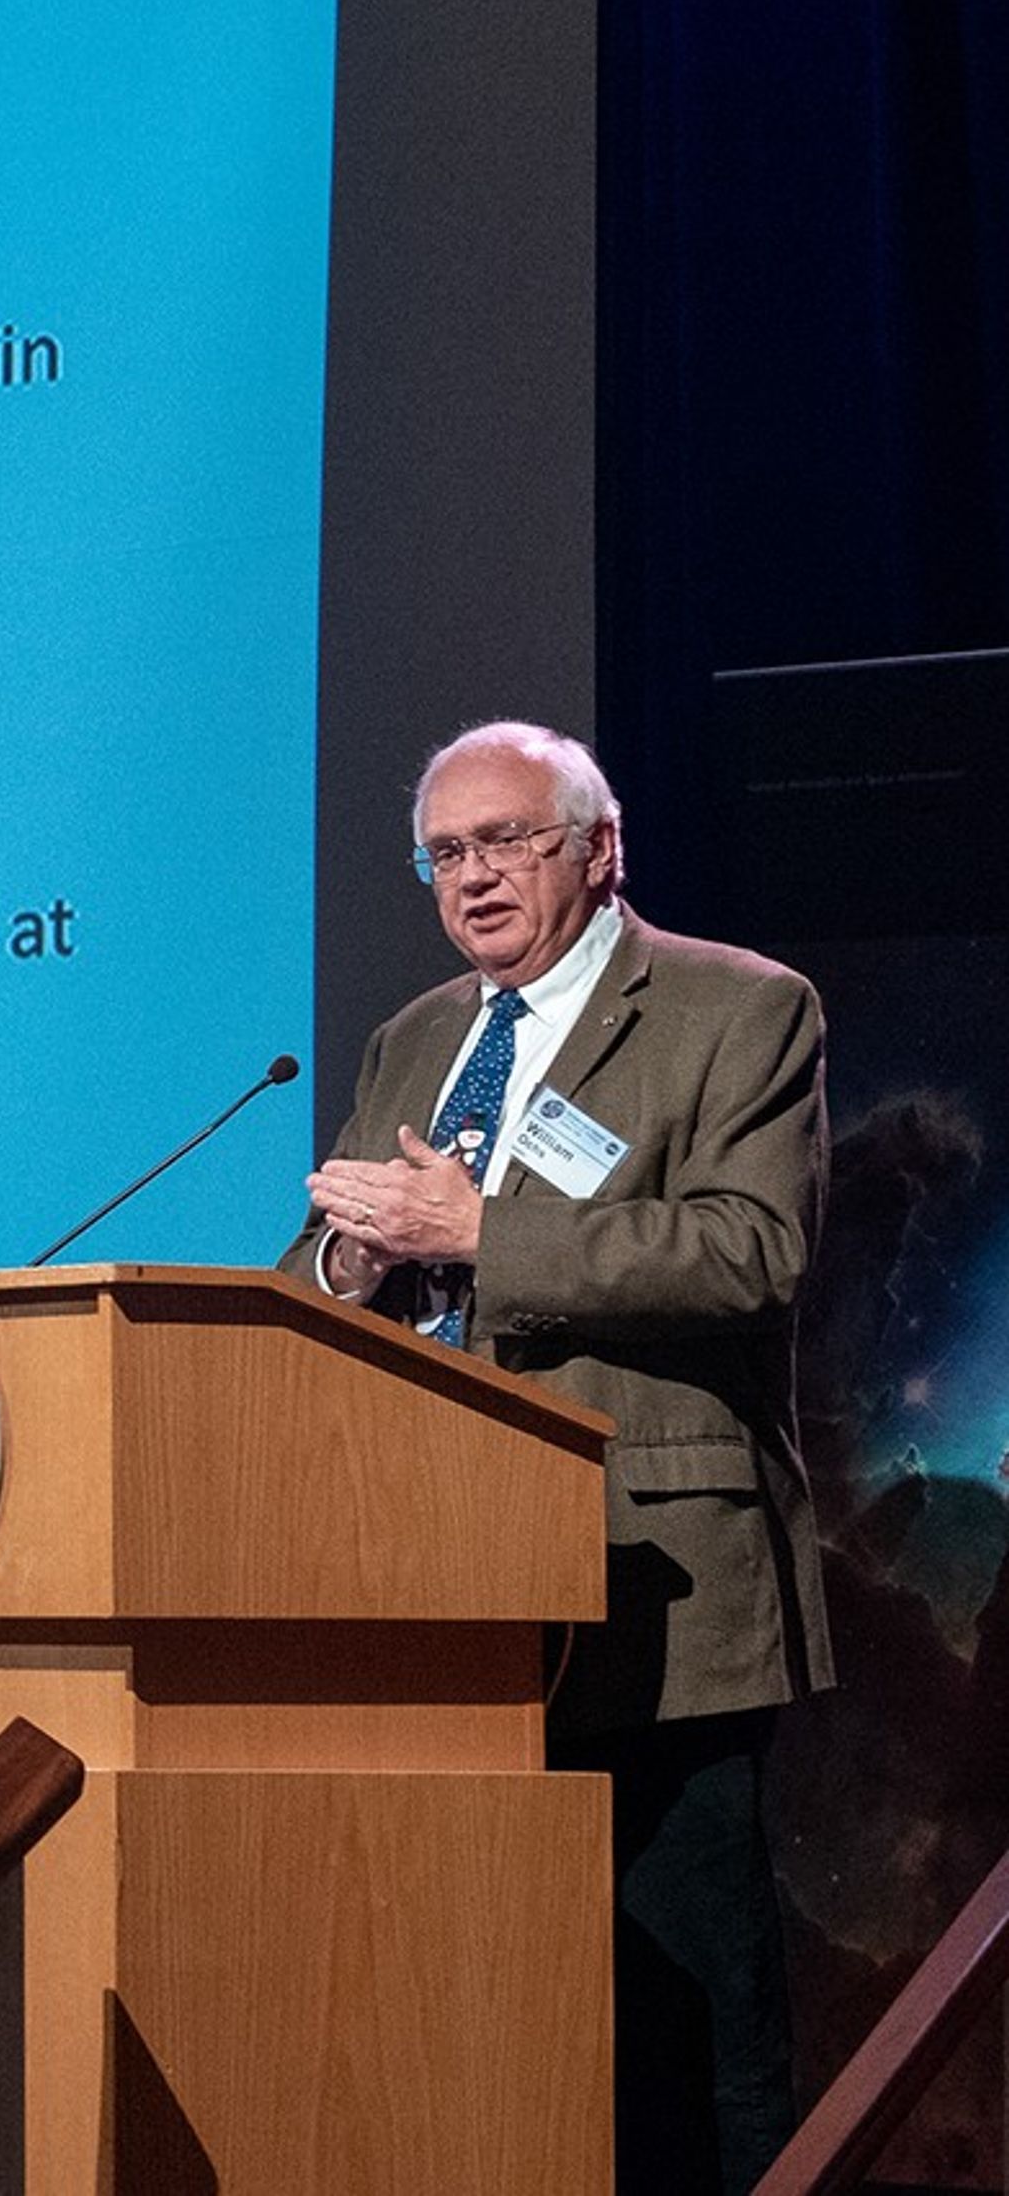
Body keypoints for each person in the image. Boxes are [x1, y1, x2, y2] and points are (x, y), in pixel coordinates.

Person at [287, 719, 833, 2196]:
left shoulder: (736, 1010)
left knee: (694, 2012)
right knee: (493, 2014)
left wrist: (485, 1235)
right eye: (445, 852)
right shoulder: (412, 1039)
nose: (473, 879)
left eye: (508, 840)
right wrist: (348, 1258)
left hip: (648, 1576)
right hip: (432, 1582)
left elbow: (753, 1250)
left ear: (600, 849)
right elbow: (334, 1272)